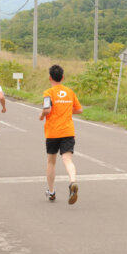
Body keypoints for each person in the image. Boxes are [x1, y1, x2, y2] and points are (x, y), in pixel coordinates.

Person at [39, 64, 82, 205]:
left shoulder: (48, 92)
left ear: (50, 77)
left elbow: (47, 110)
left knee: (51, 162)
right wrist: (67, 110)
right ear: (63, 77)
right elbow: (79, 110)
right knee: (67, 160)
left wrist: (41, 116)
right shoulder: (70, 92)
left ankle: (51, 192)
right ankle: (72, 181)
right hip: (68, 131)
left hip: (52, 132)